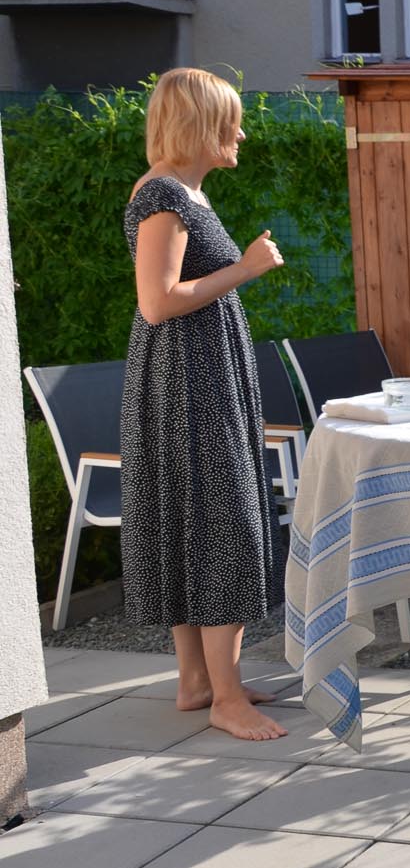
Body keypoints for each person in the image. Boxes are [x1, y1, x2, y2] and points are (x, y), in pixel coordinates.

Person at [122, 68, 290, 741]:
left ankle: (199, 682)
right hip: (188, 379)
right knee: (225, 520)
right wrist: (246, 268)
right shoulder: (165, 194)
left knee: (193, 519)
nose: (242, 132)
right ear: (201, 125)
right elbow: (157, 302)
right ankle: (226, 698)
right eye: (231, 120)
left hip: (199, 373)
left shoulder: (183, 191)